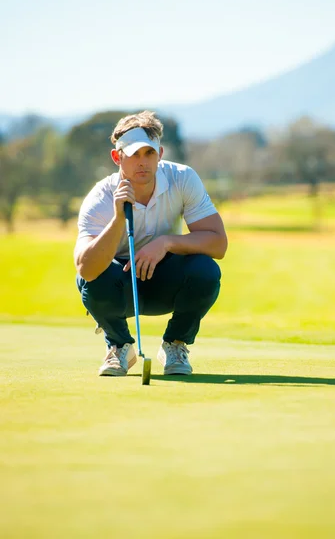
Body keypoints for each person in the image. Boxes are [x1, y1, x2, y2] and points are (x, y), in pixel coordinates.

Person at [74, 110, 228, 377]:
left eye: (149, 153)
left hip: (166, 279)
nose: (142, 162)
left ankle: (175, 344)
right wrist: (119, 219)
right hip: (119, 285)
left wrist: (166, 243)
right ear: (116, 157)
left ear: (161, 154)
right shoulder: (101, 196)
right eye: (133, 154)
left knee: (206, 270)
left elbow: (218, 244)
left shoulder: (182, 178)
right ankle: (120, 346)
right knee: (92, 280)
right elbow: (85, 268)